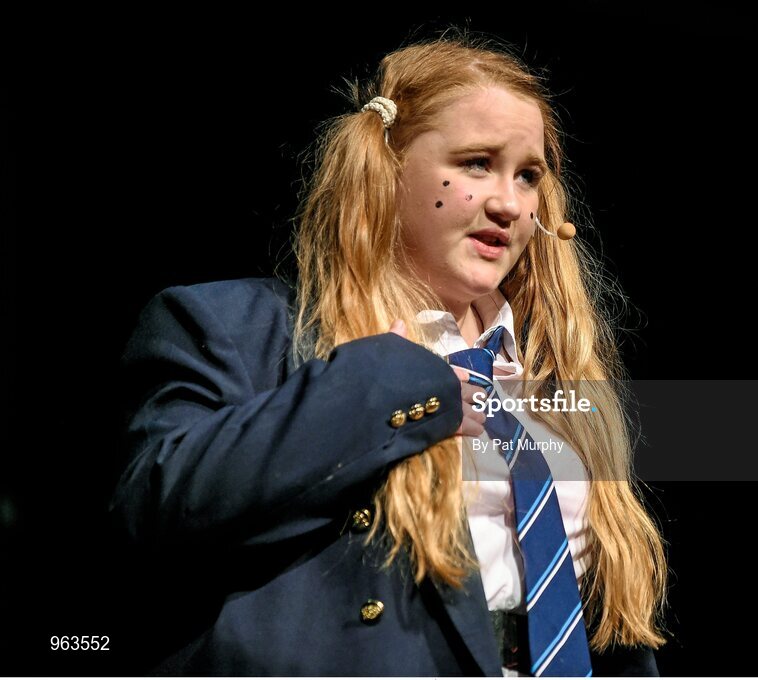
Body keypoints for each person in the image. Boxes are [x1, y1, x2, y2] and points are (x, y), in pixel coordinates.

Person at [111, 32, 668, 676]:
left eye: (528, 175)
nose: (508, 203)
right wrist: (389, 378)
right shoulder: (237, 329)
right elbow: (157, 505)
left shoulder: (553, 375)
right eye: (477, 163)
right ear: (388, 169)